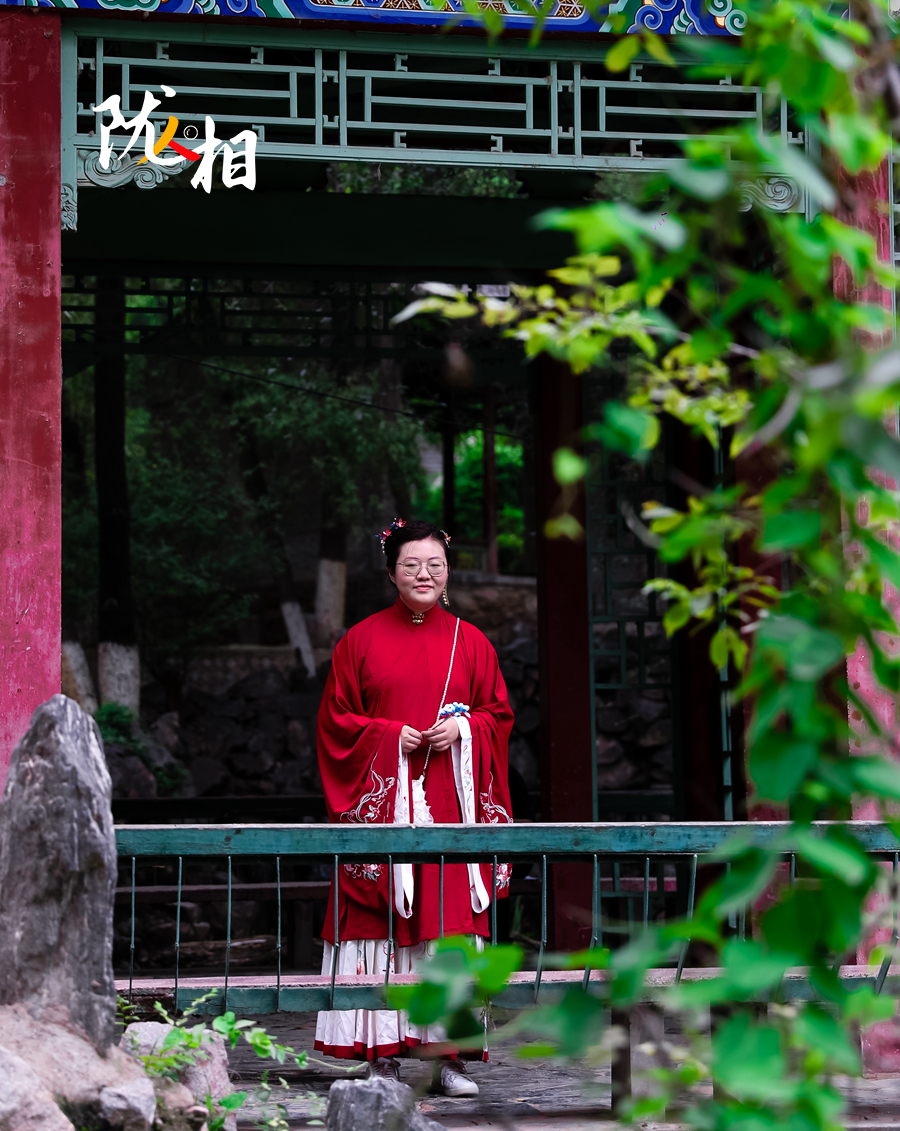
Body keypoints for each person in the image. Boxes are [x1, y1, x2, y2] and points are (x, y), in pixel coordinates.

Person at [314, 518, 515, 1096]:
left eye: (434, 565)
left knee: (447, 925)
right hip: (384, 805)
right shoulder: (358, 641)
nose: (424, 574)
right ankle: (381, 1057)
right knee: (379, 922)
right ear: (391, 573)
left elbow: (498, 716)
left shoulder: (472, 642)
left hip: (450, 804)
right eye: (411, 565)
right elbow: (335, 723)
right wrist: (385, 735)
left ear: (448, 572)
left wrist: (465, 731)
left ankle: (445, 1057)